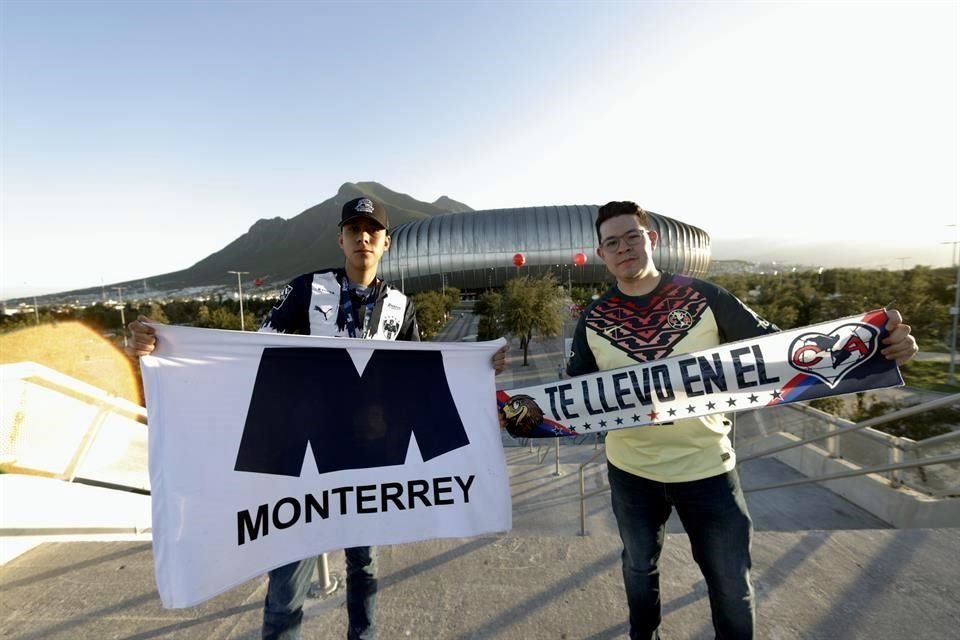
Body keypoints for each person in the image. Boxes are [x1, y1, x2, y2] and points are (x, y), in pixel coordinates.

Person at [127, 196, 508, 640]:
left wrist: (480, 367)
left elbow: (421, 375)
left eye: (373, 231)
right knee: (288, 583)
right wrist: (168, 349)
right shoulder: (308, 289)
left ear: (386, 243)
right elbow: (252, 355)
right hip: (304, 463)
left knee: (364, 567)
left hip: (369, 459)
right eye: (354, 229)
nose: (363, 237)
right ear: (341, 238)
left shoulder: (401, 307)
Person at [566, 201, 918, 640]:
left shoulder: (704, 297)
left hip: (709, 469)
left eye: (632, 237)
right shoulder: (593, 319)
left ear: (651, 240)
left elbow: (781, 349)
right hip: (631, 473)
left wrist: (876, 345)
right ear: (601, 254)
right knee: (639, 570)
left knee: (732, 587)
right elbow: (573, 395)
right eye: (612, 242)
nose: (623, 248)